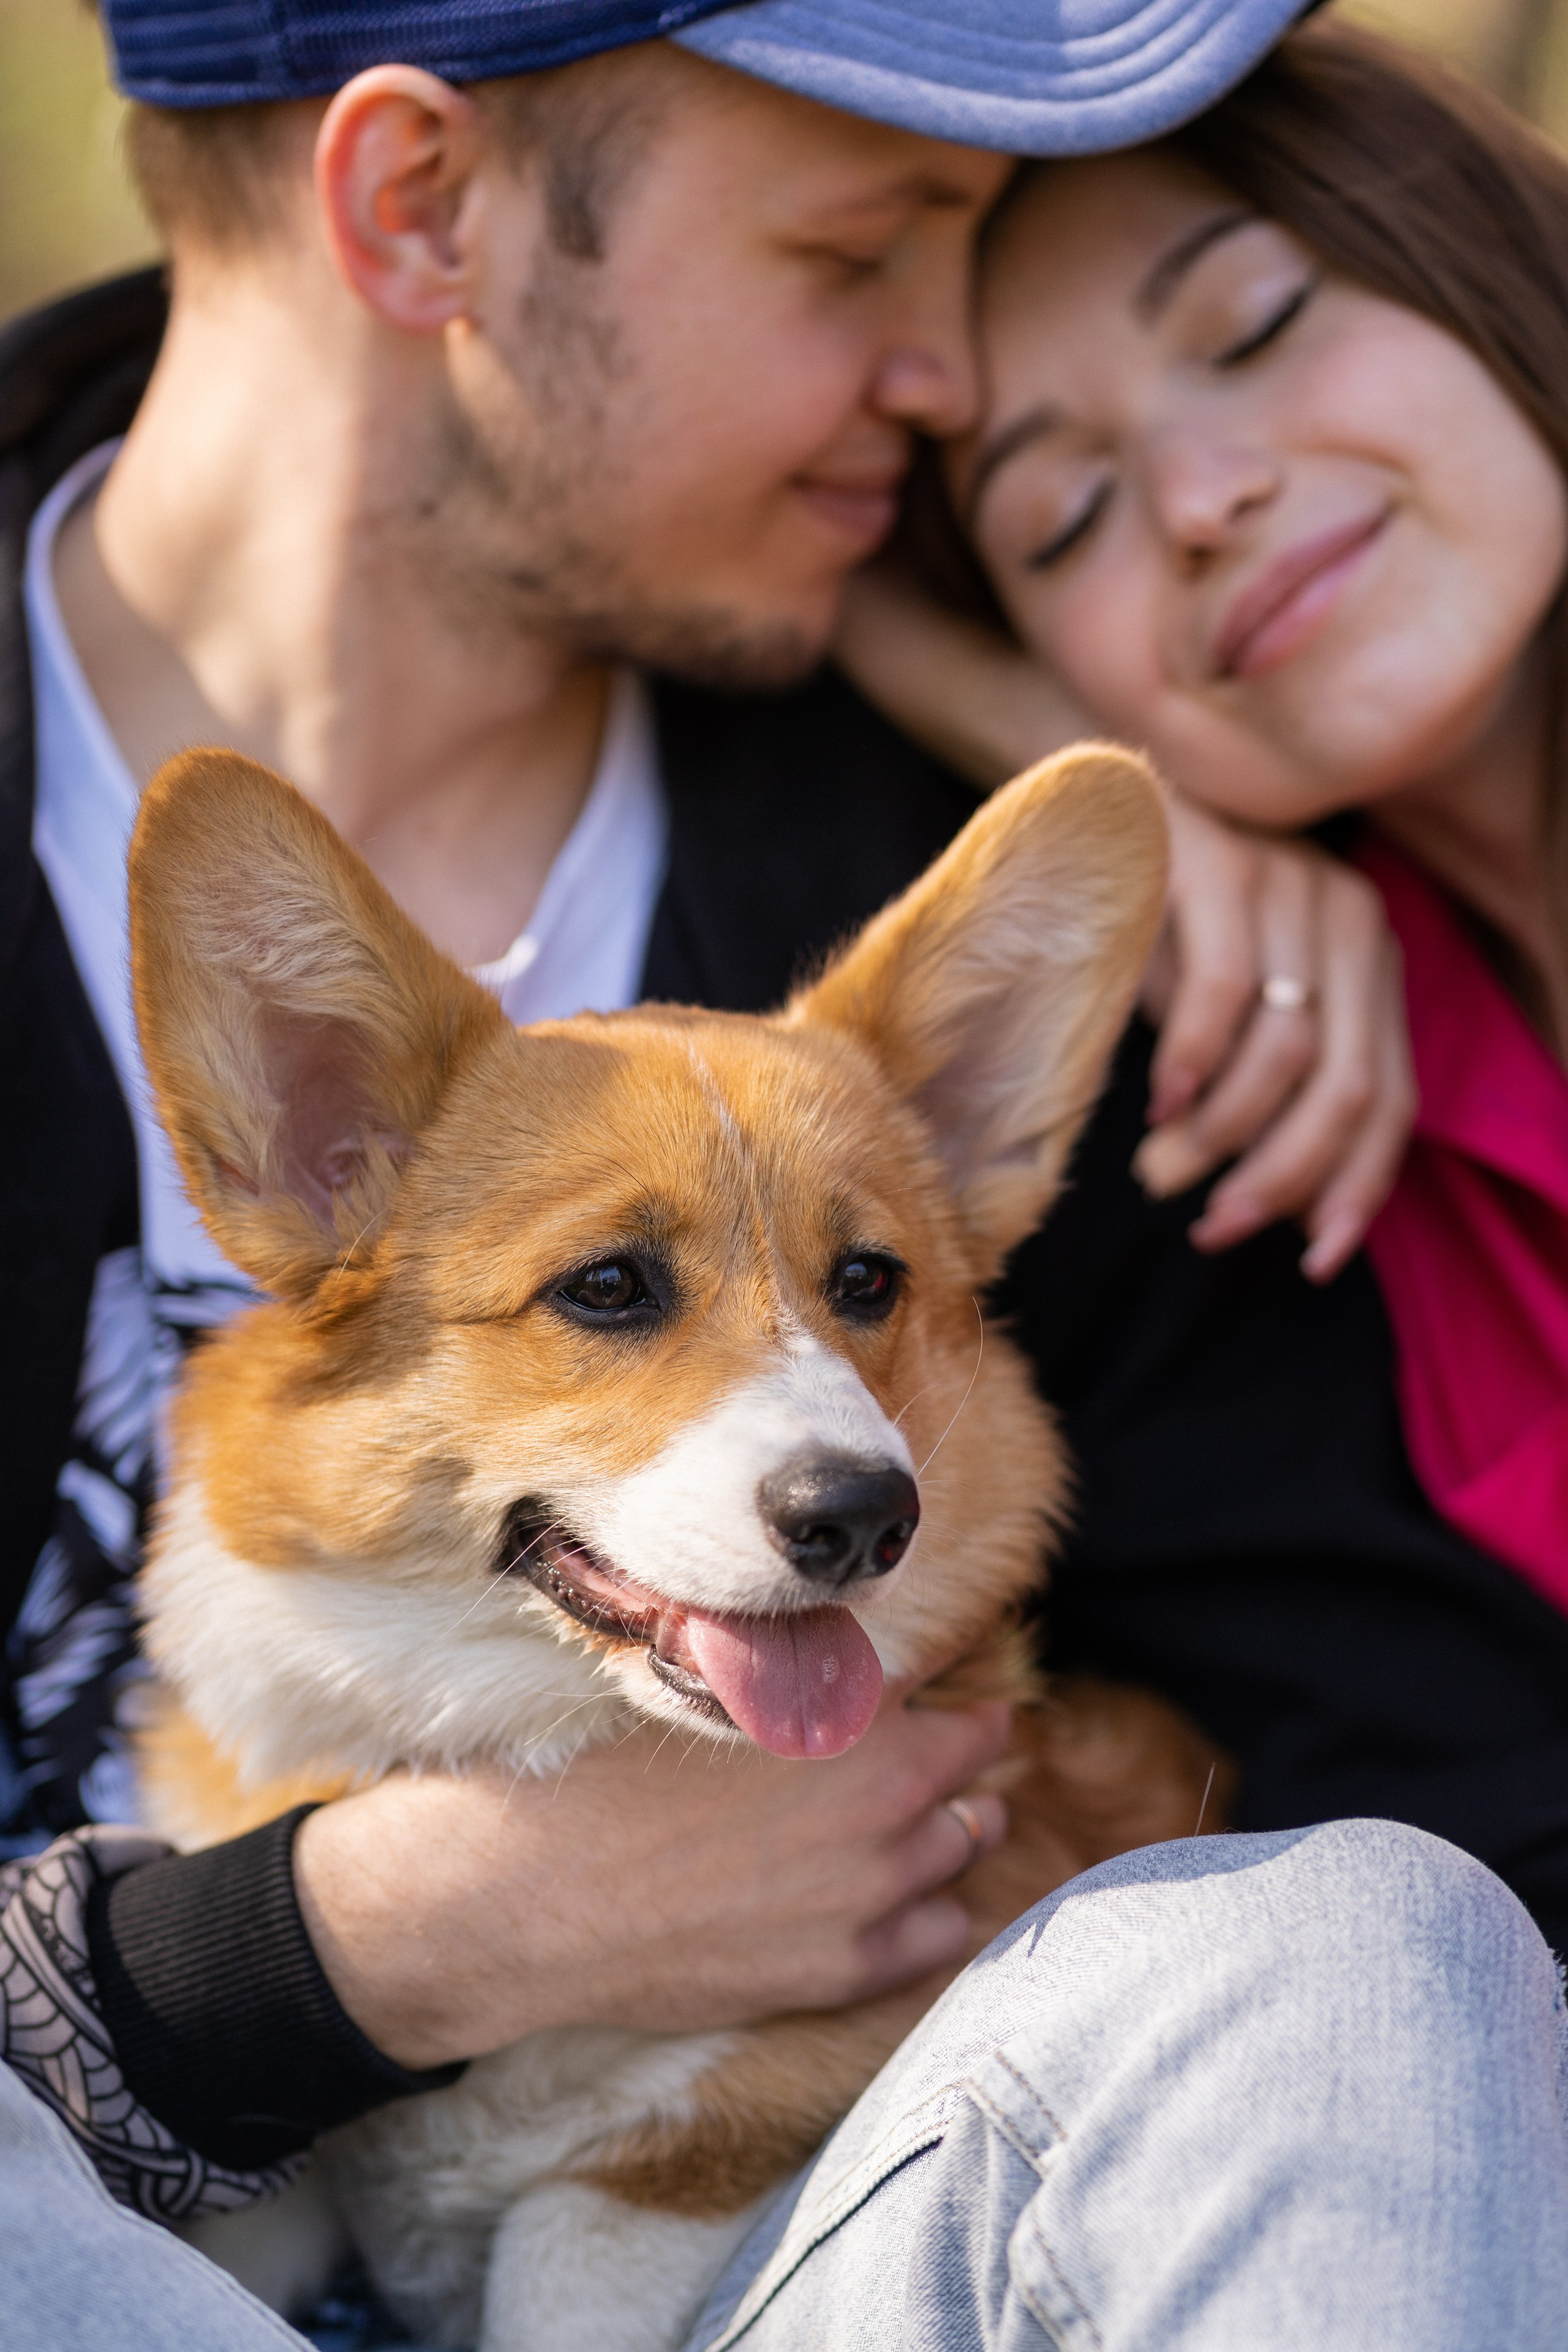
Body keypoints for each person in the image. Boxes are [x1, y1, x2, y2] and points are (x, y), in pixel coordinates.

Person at [0, 4, 1539, 2346]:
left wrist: (1062, 731)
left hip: (762, 2249)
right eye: (857, 251)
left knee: (1363, 1944)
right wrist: (365, 1940)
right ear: (421, 208)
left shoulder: (898, 906)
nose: (946, 374)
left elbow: (1418, 1780)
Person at [839, 13, 1568, 1961]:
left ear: (1458, 239)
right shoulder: (1297, 1069)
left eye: (1250, 324)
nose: (1201, 498)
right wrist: (1101, 796)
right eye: (1060, 518)